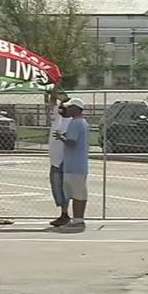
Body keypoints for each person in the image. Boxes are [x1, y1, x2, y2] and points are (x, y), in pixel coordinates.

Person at [55, 98, 90, 229]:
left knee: (78, 194)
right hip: (73, 166)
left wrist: (62, 138)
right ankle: (76, 220)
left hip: (76, 167)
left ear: (76, 108)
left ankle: (78, 221)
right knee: (74, 193)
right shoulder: (79, 123)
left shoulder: (76, 123)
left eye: (70, 107)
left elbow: (72, 142)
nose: (67, 110)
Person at [48, 88, 72, 227]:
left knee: (64, 189)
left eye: (65, 106)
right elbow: (52, 100)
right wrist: (55, 86)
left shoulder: (72, 122)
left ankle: (65, 214)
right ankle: (63, 213)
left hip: (65, 161)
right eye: (62, 106)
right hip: (55, 160)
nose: (62, 108)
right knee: (56, 188)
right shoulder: (58, 117)